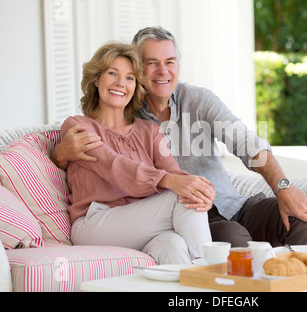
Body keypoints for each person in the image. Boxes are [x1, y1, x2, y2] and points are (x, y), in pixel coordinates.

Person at [52, 26, 307, 248]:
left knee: (300, 219)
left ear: (178, 66)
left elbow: (246, 143)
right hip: (192, 213)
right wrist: (59, 155)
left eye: (169, 62)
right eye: (151, 63)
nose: (162, 71)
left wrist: (283, 187)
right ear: (139, 70)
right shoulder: (127, 117)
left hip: (233, 204)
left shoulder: (198, 99)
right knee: (233, 240)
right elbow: (108, 163)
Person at [60, 42, 213, 265]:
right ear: (96, 79)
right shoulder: (78, 127)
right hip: (94, 223)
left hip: (141, 223)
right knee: (179, 196)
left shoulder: (149, 131)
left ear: (136, 87)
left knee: (174, 244)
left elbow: (176, 174)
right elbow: (113, 166)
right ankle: (212, 275)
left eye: (130, 78)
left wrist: (203, 191)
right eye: (112, 73)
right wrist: (170, 181)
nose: (121, 83)